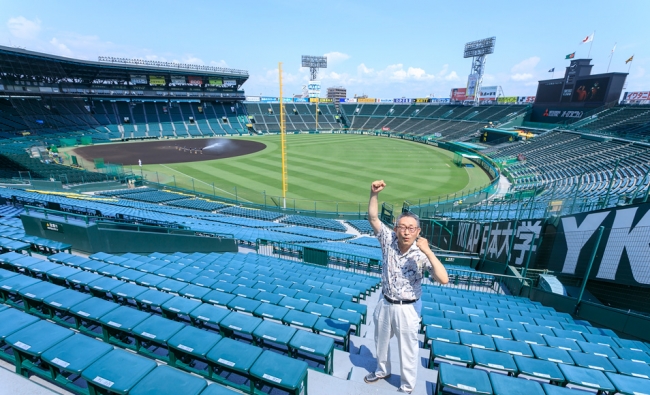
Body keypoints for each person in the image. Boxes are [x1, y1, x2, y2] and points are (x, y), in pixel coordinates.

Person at [365, 180, 449, 393]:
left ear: (417, 230)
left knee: (408, 349)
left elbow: (443, 279)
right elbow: (373, 218)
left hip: (408, 308)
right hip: (385, 302)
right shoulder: (388, 239)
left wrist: (429, 251)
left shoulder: (421, 253)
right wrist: (373, 194)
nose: (406, 231)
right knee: (380, 342)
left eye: (411, 228)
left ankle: (407, 385)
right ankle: (382, 370)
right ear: (396, 228)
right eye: (402, 227)